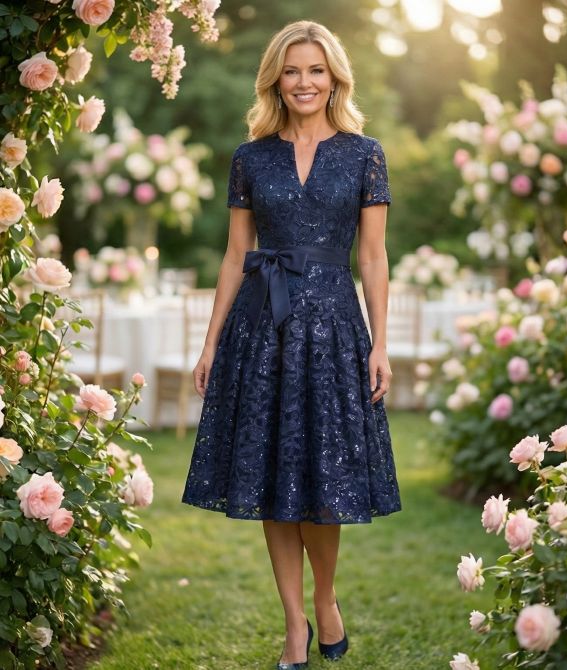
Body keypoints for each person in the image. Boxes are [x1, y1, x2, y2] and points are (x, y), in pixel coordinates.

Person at [180, 20, 401, 669]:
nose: (304, 82)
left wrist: (380, 344)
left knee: (324, 475)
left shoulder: (365, 153)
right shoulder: (250, 157)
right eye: (293, 70)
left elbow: (374, 256)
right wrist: (211, 344)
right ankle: (296, 623)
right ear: (276, 77)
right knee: (273, 476)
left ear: (335, 78)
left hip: (334, 329)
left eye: (316, 70)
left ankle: (327, 598)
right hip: (263, 329)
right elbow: (233, 256)